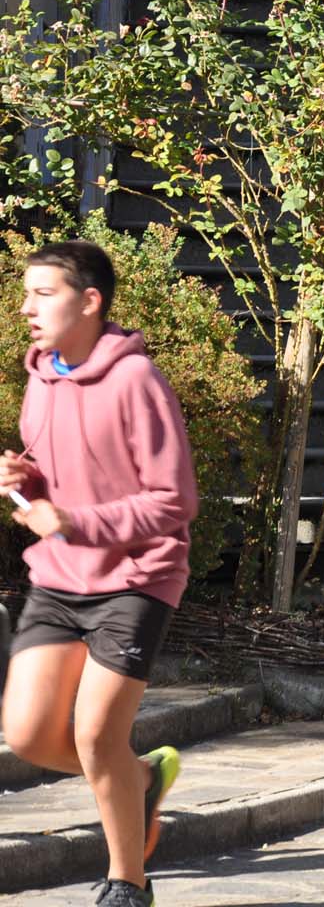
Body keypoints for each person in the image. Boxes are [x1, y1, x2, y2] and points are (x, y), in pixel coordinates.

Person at [0, 241, 197, 907]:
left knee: (93, 733)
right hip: (58, 576)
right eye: (25, 293)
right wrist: (20, 475)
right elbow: (51, 464)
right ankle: (139, 782)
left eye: (43, 293)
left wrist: (77, 522)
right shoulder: (42, 376)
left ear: (90, 302)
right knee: (27, 735)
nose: (26, 307)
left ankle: (128, 883)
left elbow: (175, 501)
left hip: (136, 578)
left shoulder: (136, 380)